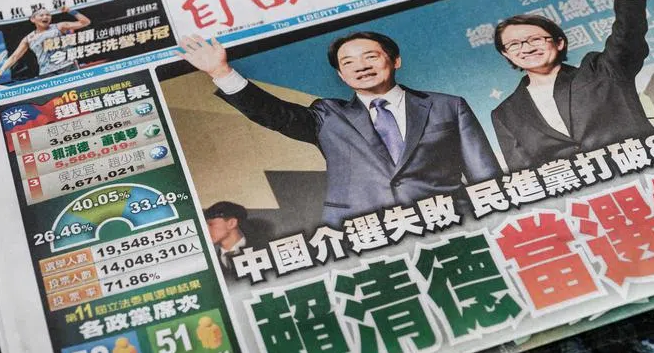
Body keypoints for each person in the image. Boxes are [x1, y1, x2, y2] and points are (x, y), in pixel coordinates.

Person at [180, 31, 501, 227]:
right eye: (348, 63)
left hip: (449, 220)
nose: (360, 66)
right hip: (361, 232)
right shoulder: (328, 115)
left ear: (395, 61)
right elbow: (274, 114)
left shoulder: (448, 106)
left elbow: (485, 174)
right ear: (341, 75)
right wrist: (221, 72)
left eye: (371, 56)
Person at [490, 0, 654, 172]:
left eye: (535, 39)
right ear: (506, 54)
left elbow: (628, 36)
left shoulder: (602, 70)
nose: (526, 48)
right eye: (514, 44)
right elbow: (524, 172)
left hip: (648, 171)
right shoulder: (505, 113)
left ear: (559, 43)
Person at [0, 6, 91, 80]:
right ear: (33, 19)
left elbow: (85, 22)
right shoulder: (28, 39)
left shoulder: (59, 27)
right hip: (47, 73)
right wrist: (1, 70)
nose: (45, 17)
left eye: (48, 15)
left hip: (68, 67)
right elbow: (14, 56)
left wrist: (70, 11)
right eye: (41, 15)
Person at [203, 201, 261, 275]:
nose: (205, 230)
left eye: (211, 224)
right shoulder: (210, 261)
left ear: (232, 223)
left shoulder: (260, 247)